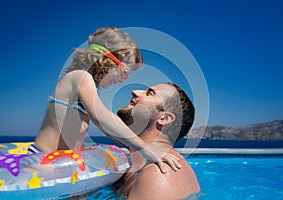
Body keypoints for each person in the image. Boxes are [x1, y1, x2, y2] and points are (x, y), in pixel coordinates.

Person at [28, 27, 180, 172]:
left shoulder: (88, 86)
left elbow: (106, 128)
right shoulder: (79, 77)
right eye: (125, 71)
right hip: (42, 159)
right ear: (108, 59)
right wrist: (147, 150)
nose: (124, 79)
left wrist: (136, 149)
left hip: (59, 160)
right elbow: (102, 117)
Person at [114, 83, 200, 199]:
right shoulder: (140, 155)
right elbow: (102, 121)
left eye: (150, 93)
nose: (135, 91)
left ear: (164, 119)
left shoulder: (160, 173)